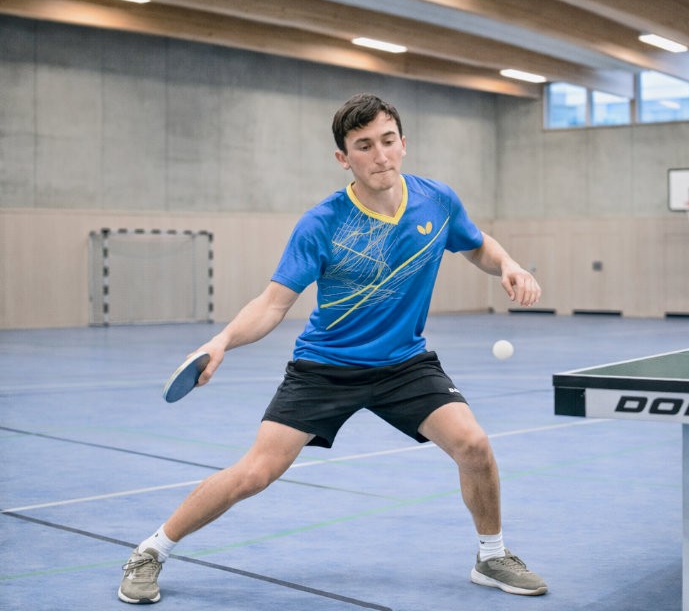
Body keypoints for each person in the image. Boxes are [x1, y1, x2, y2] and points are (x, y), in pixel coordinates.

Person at [118, 93, 548, 604]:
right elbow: (273, 304)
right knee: (255, 473)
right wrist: (223, 340)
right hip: (325, 367)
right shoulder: (322, 223)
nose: (380, 155)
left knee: (473, 446)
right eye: (364, 146)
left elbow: (476, 244)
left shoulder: (437, 200)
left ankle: (491, 555)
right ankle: (151, 550)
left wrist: (510, 265)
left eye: (388, 141)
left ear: (404, 144)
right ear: (344, 158)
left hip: (404, 364)